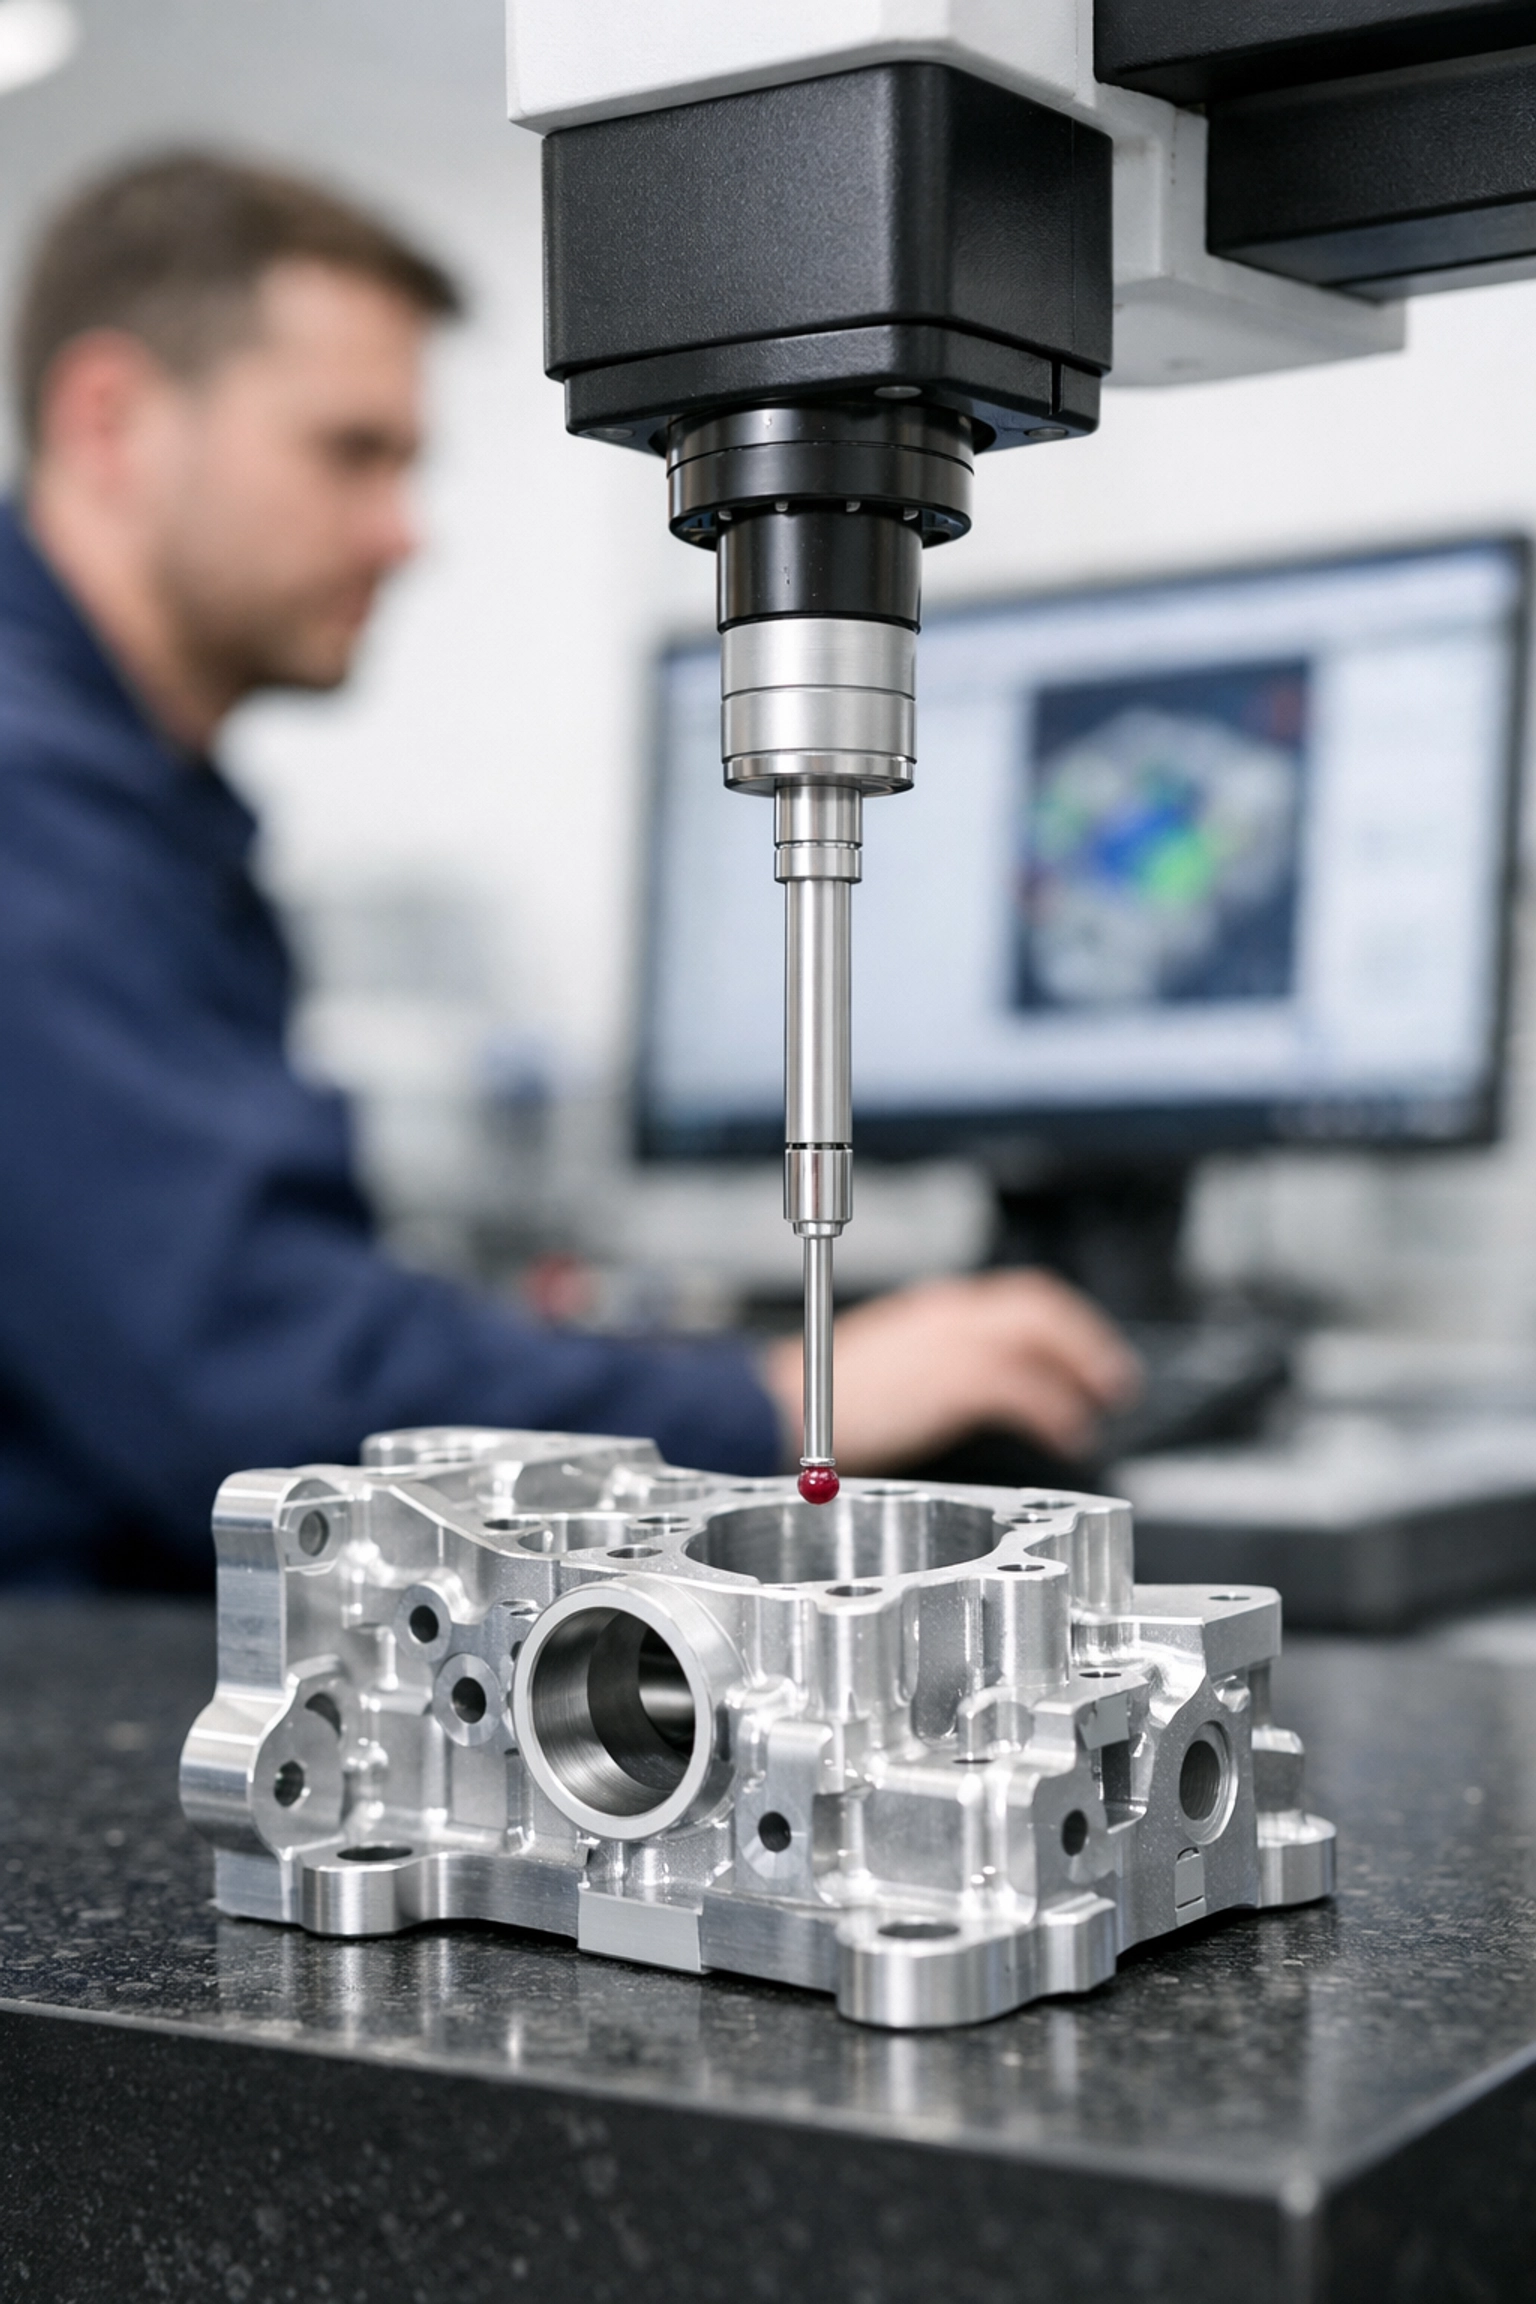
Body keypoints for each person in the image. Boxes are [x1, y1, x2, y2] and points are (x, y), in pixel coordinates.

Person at [0, 151, 1139, 1588]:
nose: (402, 534)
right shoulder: (27, 799)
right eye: (350, 452)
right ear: (111, 420)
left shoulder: (130, 794)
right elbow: (251, 1388)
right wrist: (772, 1403)